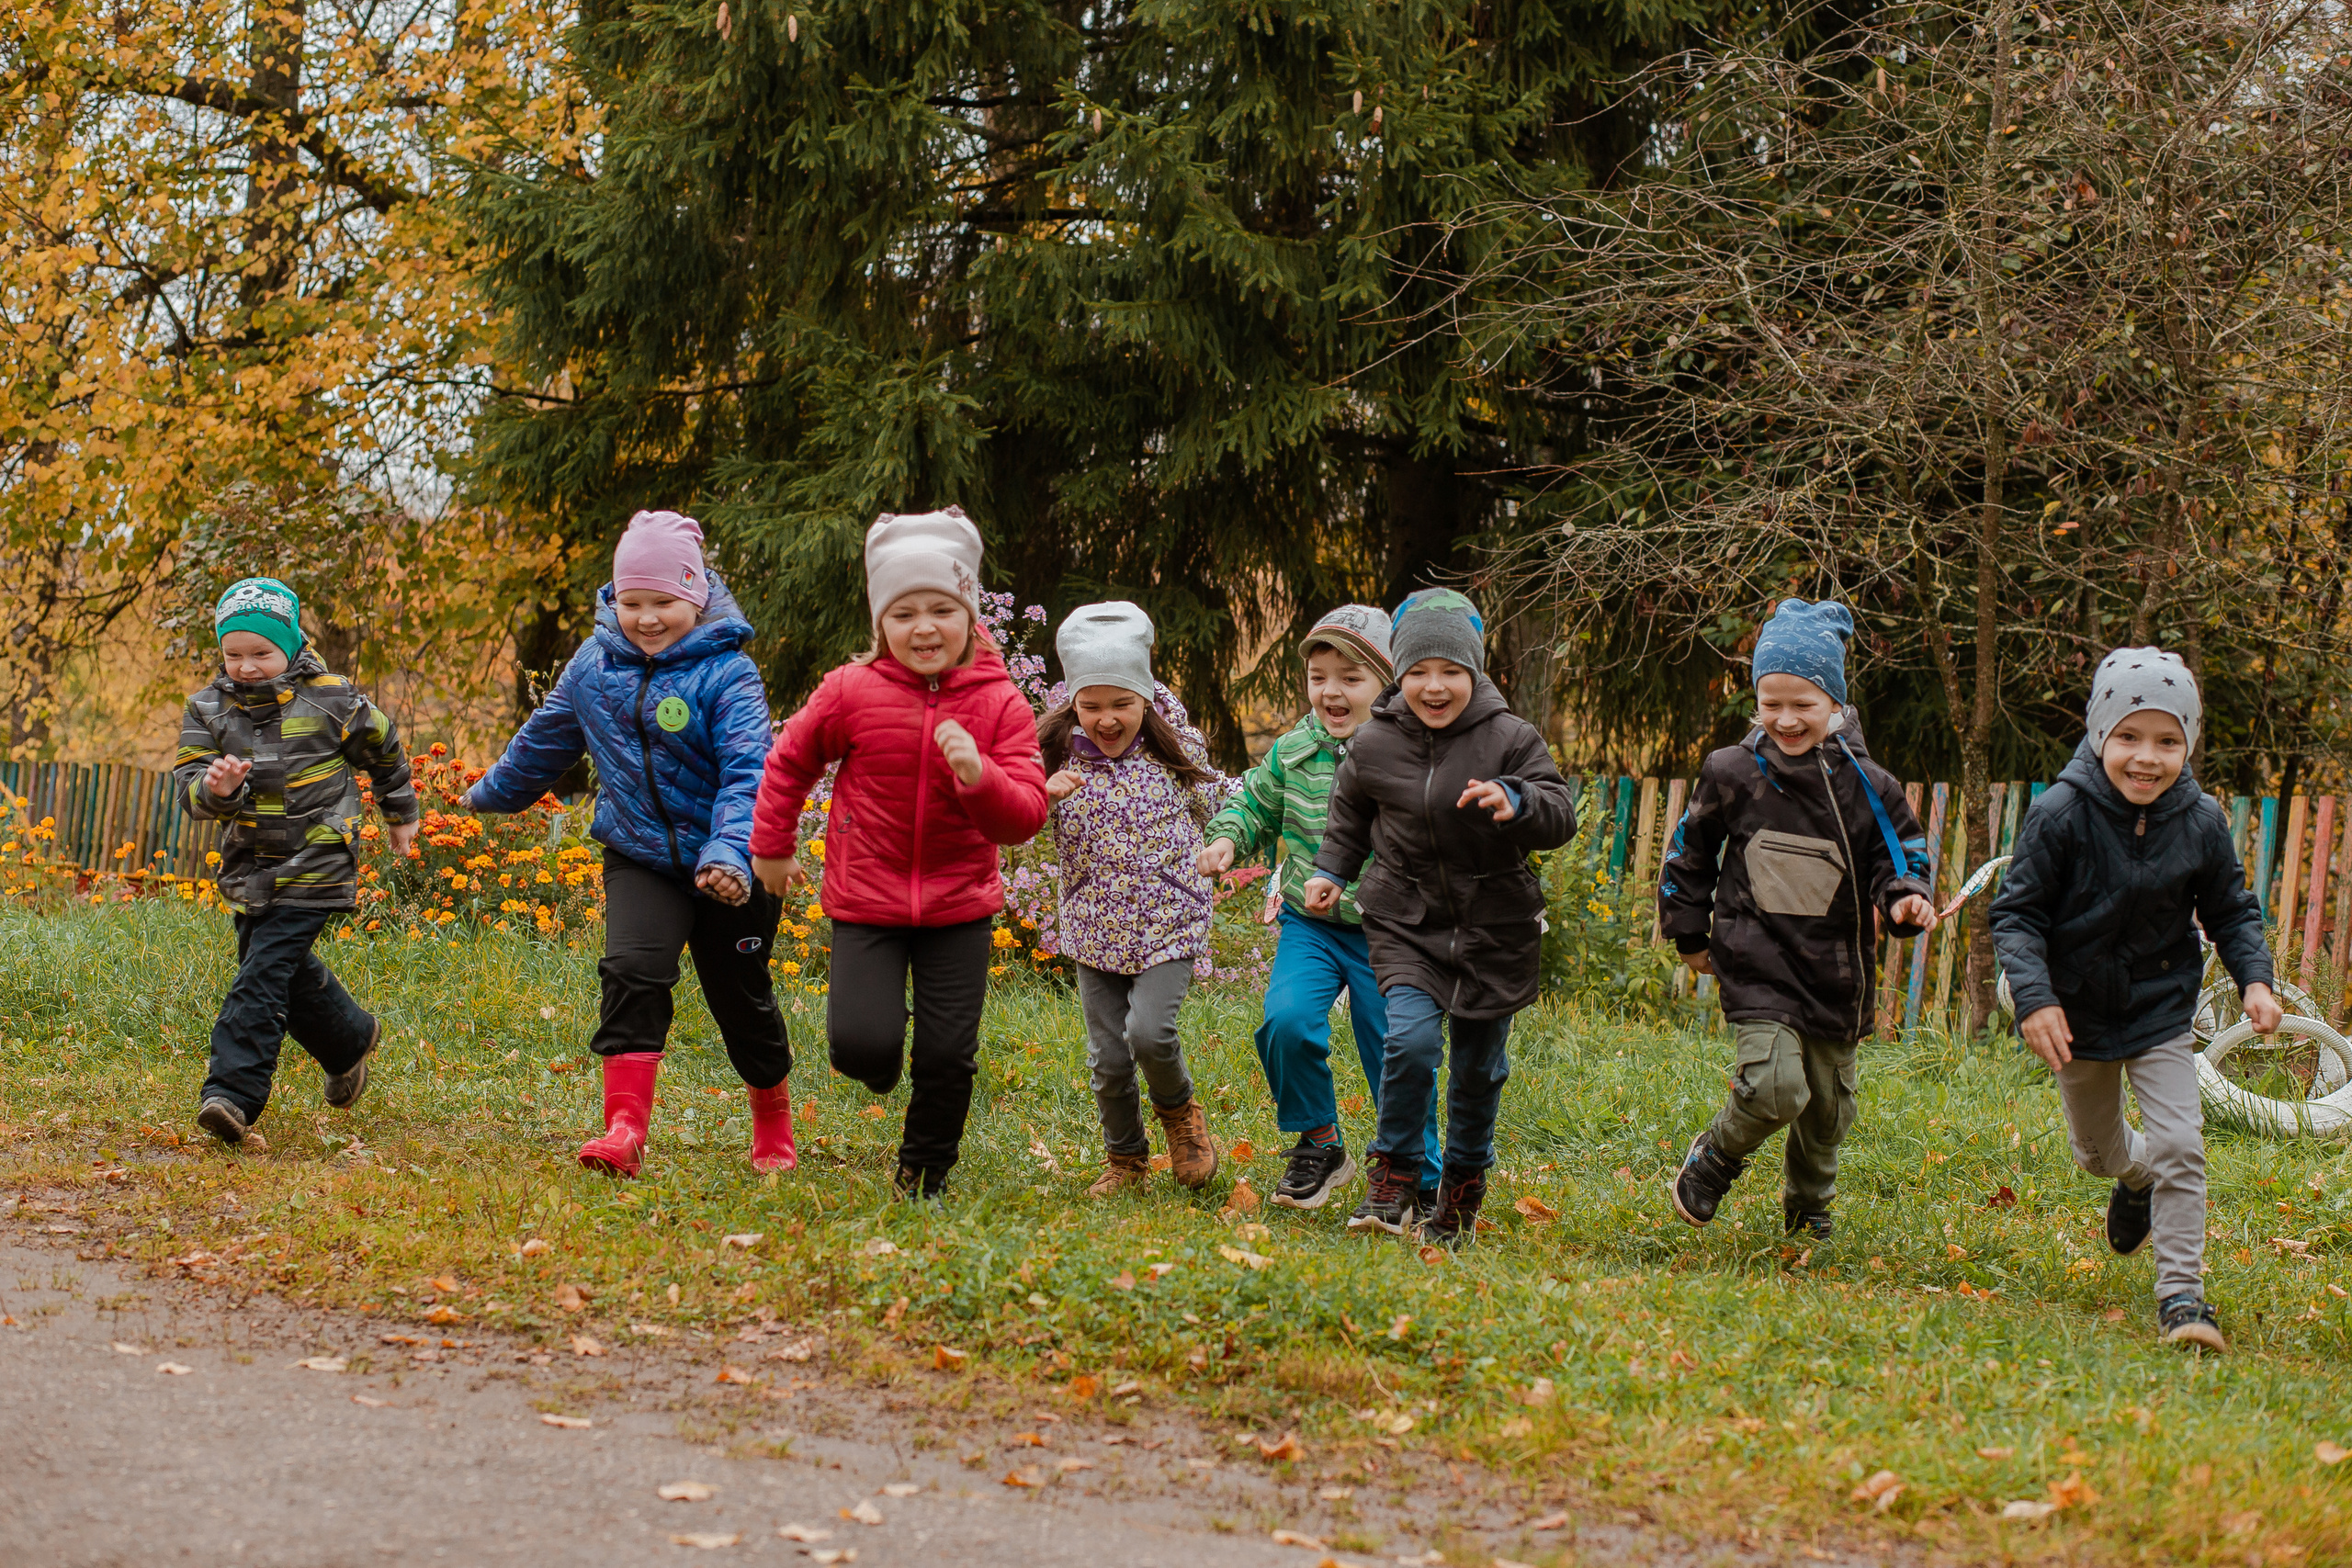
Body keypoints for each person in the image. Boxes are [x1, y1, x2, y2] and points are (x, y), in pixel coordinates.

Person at [469, 511, 790, 1178]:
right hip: (640, 853)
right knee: (631, 972)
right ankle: (625, 1130)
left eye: (664, 602)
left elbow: (749, 774)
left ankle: (772, 1121)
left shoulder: (729, 674)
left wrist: (729, 853)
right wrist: (485, 794)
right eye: (632, 601)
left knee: (741, 1000)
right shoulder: (594, 665)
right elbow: (545, 738)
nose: (646, 618)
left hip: (732, 864)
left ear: (695, 597)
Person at [750, 508, 1049, 1200]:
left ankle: (923, 1175)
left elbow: (1025, 816)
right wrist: (770, 846)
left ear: (970, 615)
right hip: (868, 900)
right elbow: (790, 761)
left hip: (959, 907)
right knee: (861, 1045)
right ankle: (879, 1053)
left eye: (942, 609)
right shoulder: (850, 691)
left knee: (948, 1055)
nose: (924, 627)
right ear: (880, 621)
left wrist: (979, 775)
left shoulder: (1000, 704)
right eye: (904, 612)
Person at [1991, 649, 2277, 1353]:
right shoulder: (2060, 813)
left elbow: (2232, 910)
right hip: (2076, 1014)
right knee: (2098, 1152)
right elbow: (2017, 916)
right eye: (2129, 736)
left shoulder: (2200, 820)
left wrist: (2256, 979)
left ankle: (2183, 1297)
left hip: (2158, 1011)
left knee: (2182, 1143)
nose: (2147, 757)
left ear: (2188, 744)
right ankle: (2137, 1177)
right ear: (2099, 733)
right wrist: (2035, 999)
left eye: (2167, 740)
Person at [1304, 589, 1577, 1244]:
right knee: (1410, 1043)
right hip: (1407, 920)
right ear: (1399, 673)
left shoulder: (1510, 737)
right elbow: (1350, 818)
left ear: (1475, 672)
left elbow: (1559, 813)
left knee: (1479, 1071)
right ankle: (1395, 1174)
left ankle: (1459, 1193)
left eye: (1451, 670)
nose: (1434, 685)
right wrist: (1330, 872)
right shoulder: (1375, 741)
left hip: (1495, 927)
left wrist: (1517, 799)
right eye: (1418, 670)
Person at [1658, 599, 1937, 1241]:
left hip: (1835, 971)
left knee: (1828, 1108)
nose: (1785, 719)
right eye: (1770, 703)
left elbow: (1901, 857)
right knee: (1776, 1088)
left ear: (1834, 702)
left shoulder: (1870, 786)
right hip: (1756, 958)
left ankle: (1809, 1204)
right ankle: (1717, 1154)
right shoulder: (1731, 772)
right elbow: (1688, 853)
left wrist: (1905, 899)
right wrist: (1690, 932)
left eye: (1803, 704)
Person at [1199, 604, 1441, 1211]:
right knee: (1286, 1021)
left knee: (1395, 1047)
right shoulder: (1293, 751)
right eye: (1318, 676)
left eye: (1350, 678)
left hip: (1389, 931)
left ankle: (1416, 1168)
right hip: (1312, 924)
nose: (1331, 691)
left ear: (1387, 683)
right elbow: (1253, 804)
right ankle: (1320, 1142)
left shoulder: (1411, 752)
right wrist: (1227, 838)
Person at [175, 577, 420, 1149]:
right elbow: (190, 787)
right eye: (233, 654)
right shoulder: (207, 708)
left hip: (318, 857)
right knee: (278, 967)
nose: (247, 667)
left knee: (261, 975)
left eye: (261, 653)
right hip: (249, 863)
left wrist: (400, 811)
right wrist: (217, 788)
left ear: (290, 645)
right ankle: (348, 1039)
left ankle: (232, 1094)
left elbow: (384, 749)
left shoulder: (332, 698)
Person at [1043, 603, 1227, 1196]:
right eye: (1091, 705)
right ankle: (1125, 1160)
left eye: (1121, 703)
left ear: (1144, 699)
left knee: (1149, 1033)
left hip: (1169, 919)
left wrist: (1227, 841)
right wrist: (1041, 794)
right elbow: (1012, 821)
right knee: (1109, 1058)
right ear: (1073, 702)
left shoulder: (1175, 750)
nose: (1107, 718)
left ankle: (1181, 1116)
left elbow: (1220, 806)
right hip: (1093, 925)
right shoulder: (1053, 754)